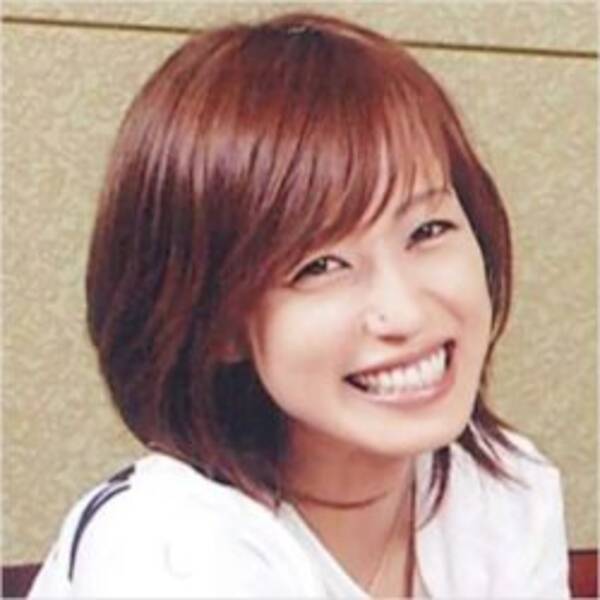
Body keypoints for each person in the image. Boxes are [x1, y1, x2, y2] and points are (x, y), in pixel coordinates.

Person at [29, 12, 570, 598]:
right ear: (217, 323)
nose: (405, 313)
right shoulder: (167, 554)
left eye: (427, 230)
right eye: (320, 266)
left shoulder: (503, 497)